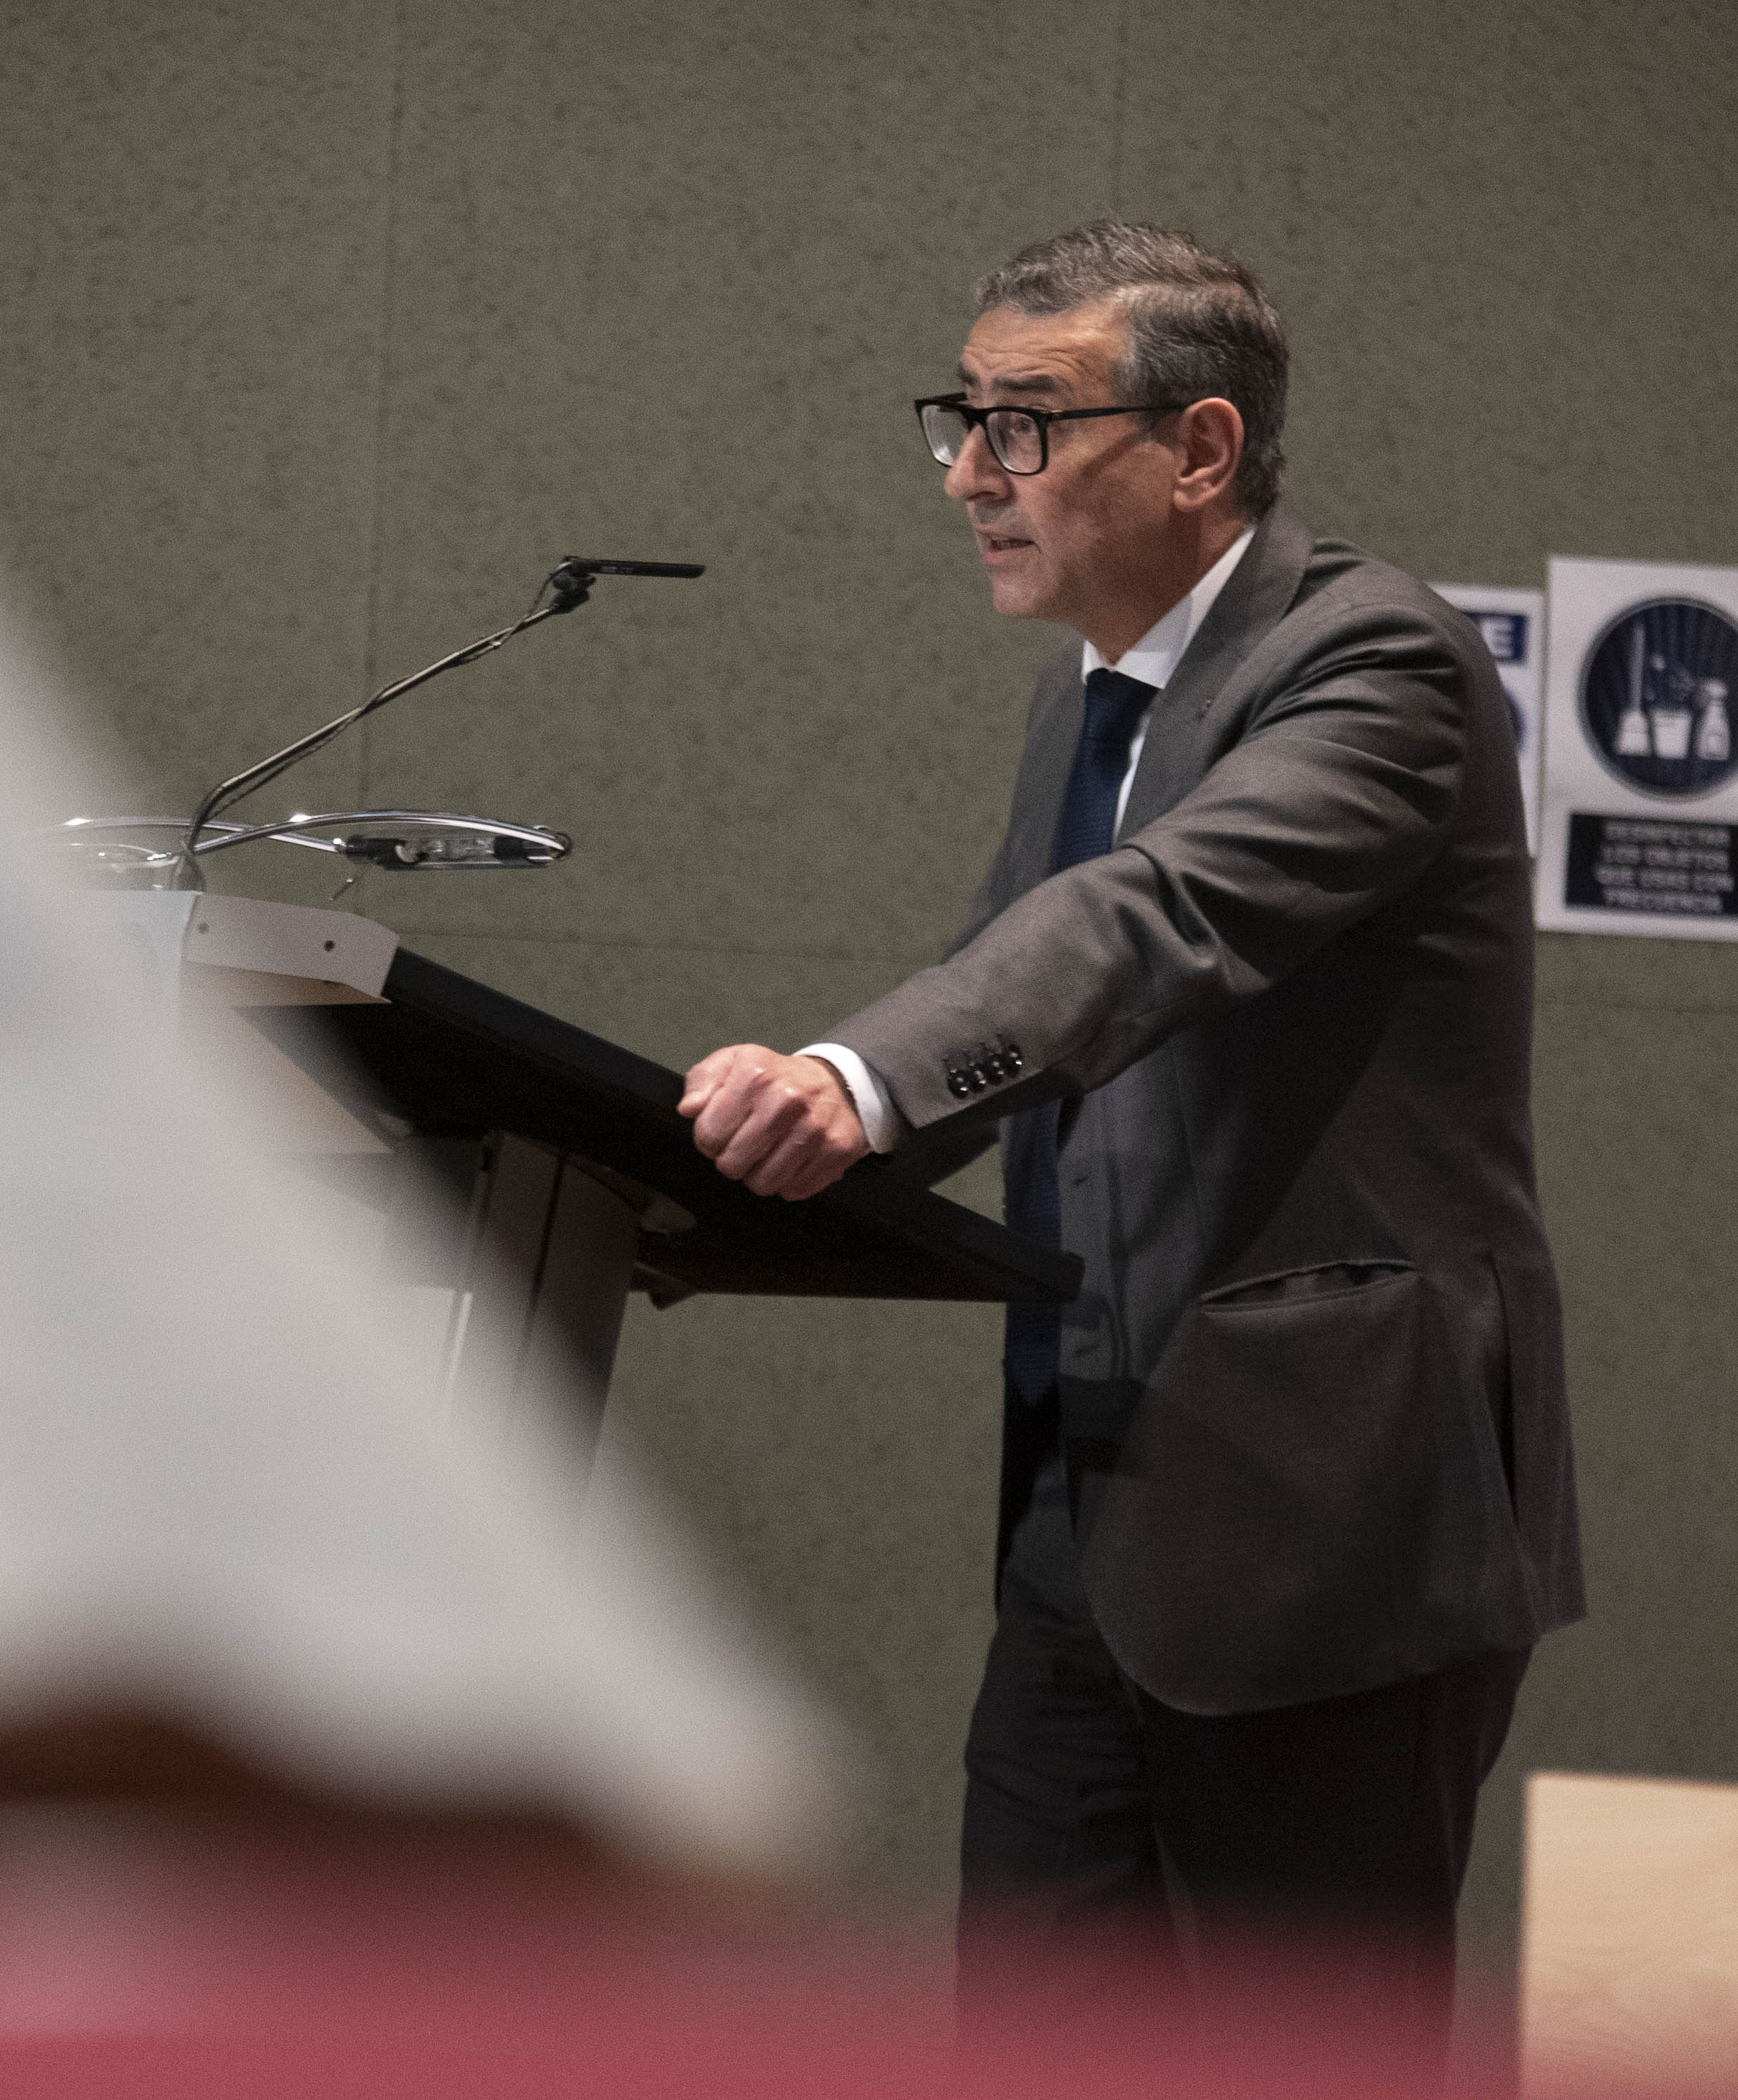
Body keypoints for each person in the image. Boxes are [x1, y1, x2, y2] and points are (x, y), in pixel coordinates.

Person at [674, 222, 1582, 2051]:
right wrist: (697, 1184)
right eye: (960, 417)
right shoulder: (1090, 693)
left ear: (1202, 448)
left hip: (1324, 1532)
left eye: (1021, 424)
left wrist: (850, 1082)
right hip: (1092, 1514)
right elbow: (1007, 999)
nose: (966, 475)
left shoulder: (1376, 665)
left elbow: (1144, 924)